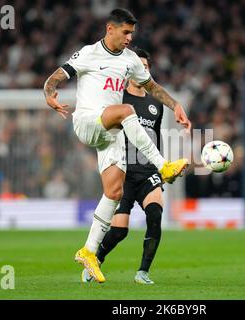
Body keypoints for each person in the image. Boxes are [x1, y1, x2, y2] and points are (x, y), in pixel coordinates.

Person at [43, 8, 192, 283]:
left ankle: (88, 251)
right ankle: (164, 166)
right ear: (109, 29)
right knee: (125, 111)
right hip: (88, 121)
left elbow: (153, 87)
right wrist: (49, 93)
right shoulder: (89, 53)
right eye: (125, 32)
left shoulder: (131, 60)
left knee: (113, 192)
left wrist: (176, 105)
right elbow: (56, 76)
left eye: (132, 33)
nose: (129, 38)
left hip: (109, 132)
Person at [82, 48, 164, 284]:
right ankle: (94, 260)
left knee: (155, 214)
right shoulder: (118, 101)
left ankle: (143, 272)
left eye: (147, 67)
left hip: (148, 171)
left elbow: (155, 137)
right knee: (119, 231)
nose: (143, 70)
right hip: (124, 171)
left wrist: (161, 165)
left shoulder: (155, 103)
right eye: (140, 66)